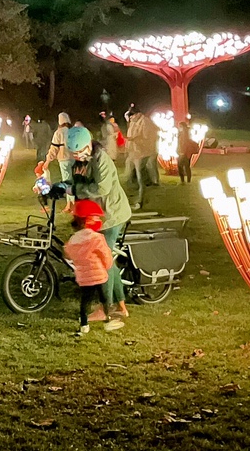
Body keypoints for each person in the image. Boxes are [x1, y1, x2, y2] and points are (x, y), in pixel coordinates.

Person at [65, 124, 131, 326]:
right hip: (93, 216)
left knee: (103, 260)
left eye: (79, 151)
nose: (77, 156)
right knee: (107, 259)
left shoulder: (102, 159)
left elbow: (101, 188)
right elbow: (73, 180)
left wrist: (76, 189)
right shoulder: (77, 161)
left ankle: (106, 308)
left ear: (88, 146)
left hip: (111, 215)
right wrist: (64, 187)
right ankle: (121, 305)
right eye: (73, 152)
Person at [65, 198, 121, 333]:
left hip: (84, 277)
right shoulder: (96, 238)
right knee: (104, 298)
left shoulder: (74, 239)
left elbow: (68, 253)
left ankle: (84, 325)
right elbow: (105, 255)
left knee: (85, 301)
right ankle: (108, 321)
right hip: (99, 275)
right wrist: (107, 266)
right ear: (89, 220)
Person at [124, 111, 158, 210]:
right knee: (128, 177)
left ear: (137, 114)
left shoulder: (145, 122)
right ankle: (132, 199)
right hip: (133, 153)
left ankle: (140, 201)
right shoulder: (134, 122)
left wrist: (134, 139)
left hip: (141, 153)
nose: (130, 119)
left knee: (140, 178)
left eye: (131, 116)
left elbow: (147, 138)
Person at [44, 113, 74, 185]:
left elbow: (54, 148)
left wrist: (47, 161)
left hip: (64, 159)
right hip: (74, 158)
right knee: (74, 180)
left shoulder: (58, 133)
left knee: (67, 181)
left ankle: (70, 196)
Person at [176, 119, 200, 184]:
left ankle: (183, 180)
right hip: (187, 152)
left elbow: (184, 143)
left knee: (180, 166)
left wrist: (182, 152)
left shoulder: (184, 134)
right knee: (186, 166)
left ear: (182, 127)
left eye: (180, 126)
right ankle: (187, 180)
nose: (179, 128)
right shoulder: (186, 132)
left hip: (184, 152)